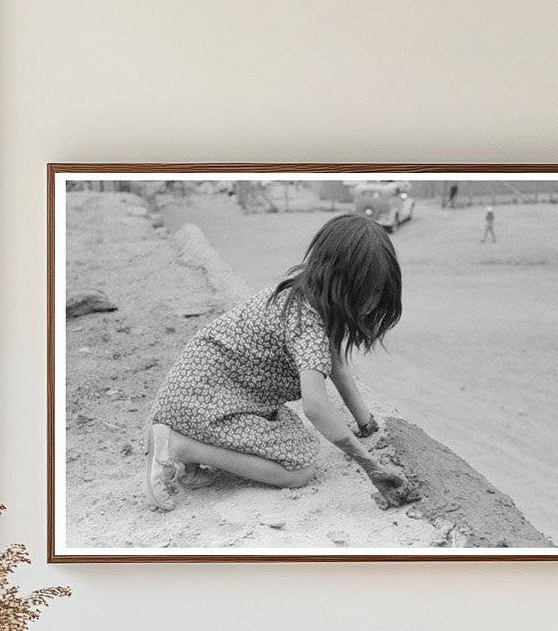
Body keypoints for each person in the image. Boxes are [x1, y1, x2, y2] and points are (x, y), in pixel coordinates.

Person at [145, 214, 418, 512]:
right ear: (344, 282)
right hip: (204, 401)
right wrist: (369, 464)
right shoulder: (308, 326)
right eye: (373, 291)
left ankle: (192, 456)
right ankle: (178, 446)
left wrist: (366, 423)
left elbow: (336, 364)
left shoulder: (300, 296)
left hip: (196, 390)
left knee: (293, 433)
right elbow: (315, 407)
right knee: (299, 469)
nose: (375, 302)